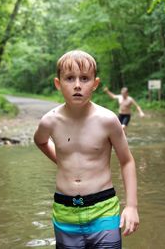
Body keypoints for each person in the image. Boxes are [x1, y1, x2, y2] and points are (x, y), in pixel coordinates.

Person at [34, 50, 139, 249]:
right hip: (65, 212)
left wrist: (132, 206)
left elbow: (127, 161)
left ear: (95, 84)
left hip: (104, 209)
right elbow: (40, 141)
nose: (77, 85)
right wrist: (62, 161)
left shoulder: (108, 120)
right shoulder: (49, 121)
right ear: (58, 84)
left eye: (84, 78)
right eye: (69, 78)